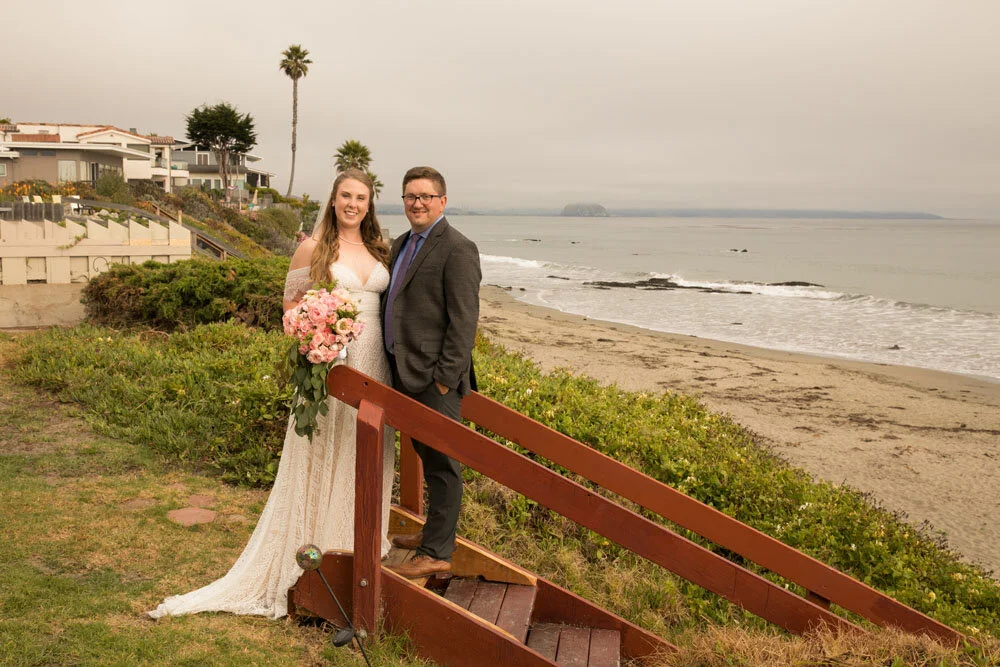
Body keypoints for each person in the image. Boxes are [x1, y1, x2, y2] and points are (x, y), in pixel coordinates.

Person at [148, 168, 396, 619]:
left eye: (361, 197)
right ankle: (314, 552)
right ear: (334, 199)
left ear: (370, 203)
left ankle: (358, 548)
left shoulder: (382, 250)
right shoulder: (313, 248)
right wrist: (315, 335)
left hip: (375, 364)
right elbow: (290, 307)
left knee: (366, 450)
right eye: (346, 195)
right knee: (324, 450)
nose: (353, 204)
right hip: (332, 366)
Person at [382, 166, 481, 579]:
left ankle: (437, 550)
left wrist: (444, 377)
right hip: (403, 373)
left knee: (443, 465)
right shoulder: (402, 243)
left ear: (442, 201)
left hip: (434, 379)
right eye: (410, 196)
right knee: (424, 455)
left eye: (425, 196)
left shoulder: (458, 248)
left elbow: (464, 321)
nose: (417, 203)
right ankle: (431, 536)